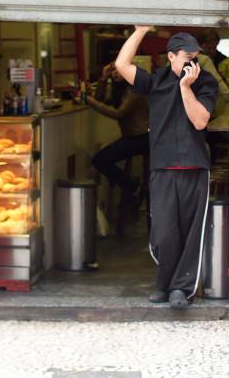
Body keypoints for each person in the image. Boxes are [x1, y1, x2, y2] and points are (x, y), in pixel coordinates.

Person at [115, 26, 218, 309]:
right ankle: (164, 283)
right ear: (171, 56)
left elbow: (200, 121)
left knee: (189, 231)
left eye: (196, 57)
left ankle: (180, 289)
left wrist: (186, 87)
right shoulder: (155, 81)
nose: (192, 63)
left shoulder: (205, 82)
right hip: (162, 166)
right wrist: (140, 31)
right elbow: (121, 65)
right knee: (163, 231)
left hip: (194, 167)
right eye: (187, 56)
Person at [86, 62, 149, 220]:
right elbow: (101, 98)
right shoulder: (122, 89)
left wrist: (91, 102)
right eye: (113, 70)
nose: (115, 73)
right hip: (134, 137)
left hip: (143, 138)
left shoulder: (136, 89)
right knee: (102, 159)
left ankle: (133, 187)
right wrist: (103, 78)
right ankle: (132, 186)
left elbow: (118, 114)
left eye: (119, 70)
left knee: (100, 160)